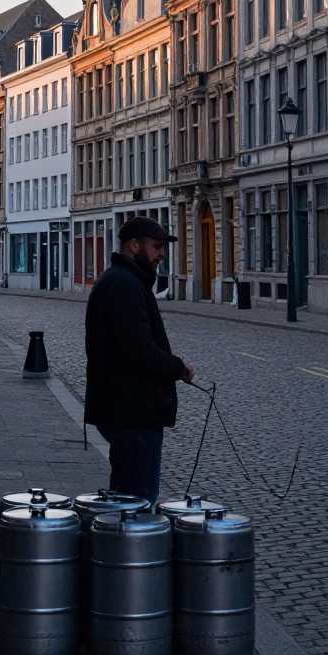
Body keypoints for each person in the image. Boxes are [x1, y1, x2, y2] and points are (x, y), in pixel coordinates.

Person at [84, 216, 194, 505]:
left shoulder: (127, 281)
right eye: (156, 246)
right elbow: (138, 350)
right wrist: (177, 367)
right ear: (135, 246)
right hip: (132, 412)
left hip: (127, 410)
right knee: (137, 503)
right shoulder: (124, 285)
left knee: (124, 501)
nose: (162, 255)